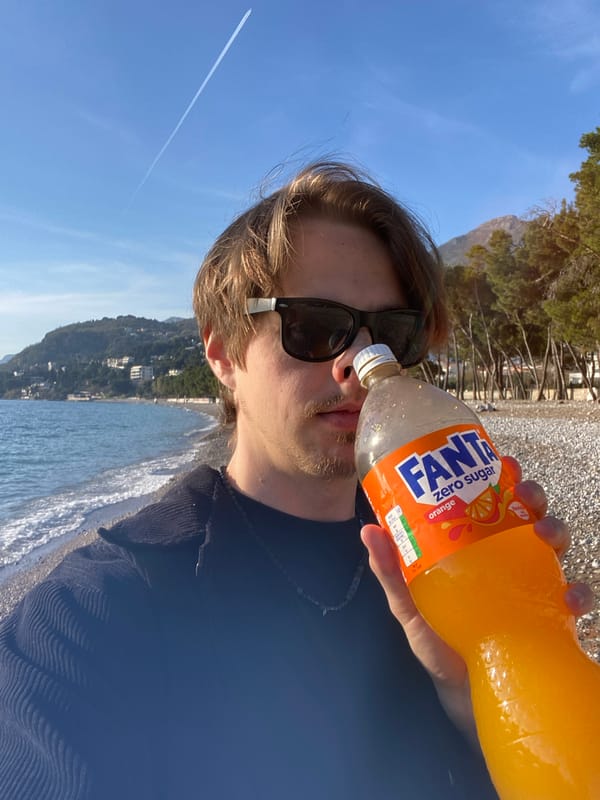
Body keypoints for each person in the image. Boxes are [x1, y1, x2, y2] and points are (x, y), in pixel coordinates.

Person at [0, 161, 592, 800]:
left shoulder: (447, 556)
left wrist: (472, 687)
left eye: (391, 334)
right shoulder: (84, 619)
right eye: (313, 326)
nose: (359, 366)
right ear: (224, 354)